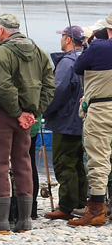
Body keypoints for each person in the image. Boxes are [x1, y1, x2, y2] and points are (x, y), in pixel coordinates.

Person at [0, 13, 55, 234]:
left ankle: (0, 221)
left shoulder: (1, 52)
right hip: (28, 116)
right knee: (23, 163)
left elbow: (3, 86)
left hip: (4, 114)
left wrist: (18, 113)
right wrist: (34, 112)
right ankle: (24, 221)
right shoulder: (38, 51)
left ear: (1, 30)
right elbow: (50, 84)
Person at [43, 26, 88, 220]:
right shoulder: (87, 59)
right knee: (78, 162)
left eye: (62, 37)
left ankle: (67, 206)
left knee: (64, 163)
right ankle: (80, 202)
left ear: (68, 40)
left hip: (65, 122)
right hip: (83, 120)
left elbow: (57, 91)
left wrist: (44, 111)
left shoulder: (67, 62)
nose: (60, 40)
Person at [70, 35, 112, 226]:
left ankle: (96, 209)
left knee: (98, 159)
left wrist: (89, 46)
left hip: (102, 109)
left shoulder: (99, 47)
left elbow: (78, 67)